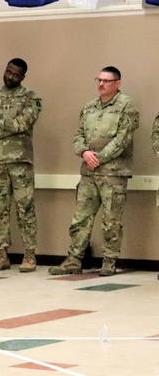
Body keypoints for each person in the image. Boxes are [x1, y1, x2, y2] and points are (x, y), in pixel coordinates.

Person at [49, 67, 138, 277]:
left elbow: (123, 139)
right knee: (80, 218)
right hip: (89, 172)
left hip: (113, 174)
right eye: (99, 80)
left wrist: (99, 158)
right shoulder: (89, 107)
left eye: (107, 81)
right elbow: (78, 135)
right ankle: (74, 259)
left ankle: (109, 261)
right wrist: (85, 152)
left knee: (111, 220)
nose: (101, 84)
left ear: (117, 83)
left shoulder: (127, 106)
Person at [0, 58, 42, 272]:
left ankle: (29, 255)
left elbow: (24, 124)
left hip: (20, 162)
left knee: (26, 209)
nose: (10, 77)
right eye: (8, 72)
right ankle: (2, 255)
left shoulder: (31, 98)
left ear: (22, 77)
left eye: (15, 74)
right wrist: (7, 129)